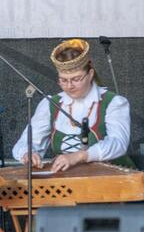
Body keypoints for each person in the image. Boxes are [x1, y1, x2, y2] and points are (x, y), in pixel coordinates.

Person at [12, 38, 132, 172]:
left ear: (90, 74)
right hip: (68, 183)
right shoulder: (51, 104)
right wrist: (27, 154)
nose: (69, 86)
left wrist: (80, 156)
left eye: (76, 79)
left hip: (112, 181)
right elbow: (25, 143)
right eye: (63, 80)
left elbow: (118, 144)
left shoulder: (113, 102)